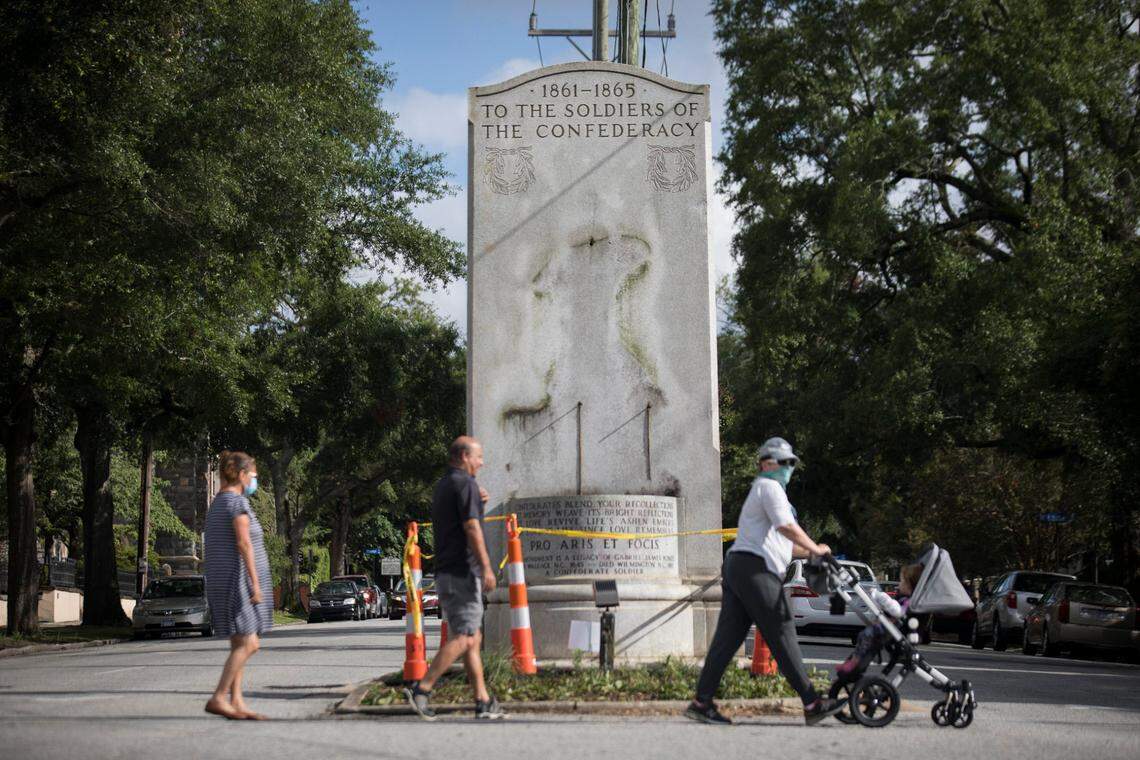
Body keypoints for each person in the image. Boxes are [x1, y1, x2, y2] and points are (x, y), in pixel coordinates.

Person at [686, 437, 845, 726]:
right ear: (766, 463)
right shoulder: (769, 487)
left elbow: (784, 543)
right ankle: (812, 702)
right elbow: (788, 527)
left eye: (791, 463)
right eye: (784, 462)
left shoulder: (768, 492)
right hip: (754, 569)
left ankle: (701, 702)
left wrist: (813, 552)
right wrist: (815, 549)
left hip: (739, 566)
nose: (788, 468)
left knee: (727, 640)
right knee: (782, 630)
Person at [405, 436, 505, 720]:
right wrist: (486, 567)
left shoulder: (445, 485)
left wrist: (477, 501)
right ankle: (421, 689)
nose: (481, 462)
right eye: (478, 457)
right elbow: (471, 528)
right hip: (464, 570)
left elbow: (462, 518)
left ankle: (483, 701)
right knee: (465, 636)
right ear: (464, 456)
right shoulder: (466, 484)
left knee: (472, 637)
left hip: (448, 569)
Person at [203, 451, 273, 720]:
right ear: (242, 475)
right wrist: (256, 584)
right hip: (238, 582)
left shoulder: (220, 502)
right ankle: (219, 697)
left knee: (238, 644)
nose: (254, 480)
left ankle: (237, 701)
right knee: (249, 643)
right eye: (253, 476)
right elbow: (244, 544)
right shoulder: (236, 504)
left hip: (226, 580)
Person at [836, 563, 924, 677]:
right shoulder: (904, 599)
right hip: (885, 628)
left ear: (910, 587)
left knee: (864, 636)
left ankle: (855, 662)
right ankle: (855, 661)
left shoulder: (908, 602)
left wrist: (879, 595)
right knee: (864, 638)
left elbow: (896, 610)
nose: (899, 585)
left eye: (902, 582)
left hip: (886, 630)